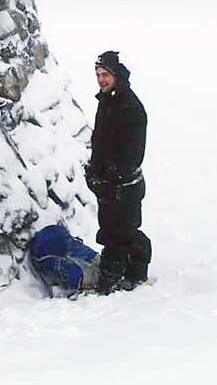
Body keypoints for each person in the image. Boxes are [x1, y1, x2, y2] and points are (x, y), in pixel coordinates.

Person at [84, 50, 152, 294]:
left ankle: (110, 284)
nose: (101, 79)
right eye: (98, 74)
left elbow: (132, 155)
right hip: (111, 184)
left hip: (125, 187)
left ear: (118, 75)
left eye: (105, 74)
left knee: (117, 235)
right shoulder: (108, 101)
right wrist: (94, 170)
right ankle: (134, 273)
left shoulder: (130, 108)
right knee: (119, 231)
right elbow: (102, 142)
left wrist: (110, 178)